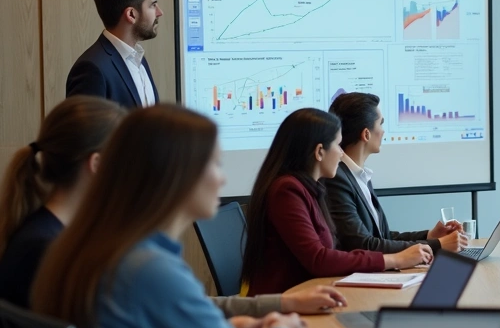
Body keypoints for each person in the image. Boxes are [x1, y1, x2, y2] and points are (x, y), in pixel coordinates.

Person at [29, 105, 304, 328]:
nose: (223, 179)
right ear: (176, 175)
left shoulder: (86, 251)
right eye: (215, 165)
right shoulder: (149, 271)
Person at [0, 97, 347, 316]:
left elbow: (173, 307)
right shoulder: (54, 249)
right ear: (98, 165)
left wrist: (279, 305)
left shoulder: (56, 237)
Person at [243, 108, 429, 295]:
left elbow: (333, 249)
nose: (341, 154)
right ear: (319, 152)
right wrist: (395, 260)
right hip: (283, 303)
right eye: (338, 145)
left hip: (309, 295)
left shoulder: (309, 189)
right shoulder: (287, 191)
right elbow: (319, 259)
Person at [325, 92, 467, 255]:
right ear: (366, 134)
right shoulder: (337, 179)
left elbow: (382, 237)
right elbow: (363, 245)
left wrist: (430, 236)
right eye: (381, 124)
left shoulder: (359, 176)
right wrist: (438, 245)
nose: (384, 131)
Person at [66, 0, 162, 108]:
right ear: (131, 15)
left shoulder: (139, 60)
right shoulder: (92, 69)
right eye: (153, 5)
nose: (160, 12)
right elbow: (85, 130)